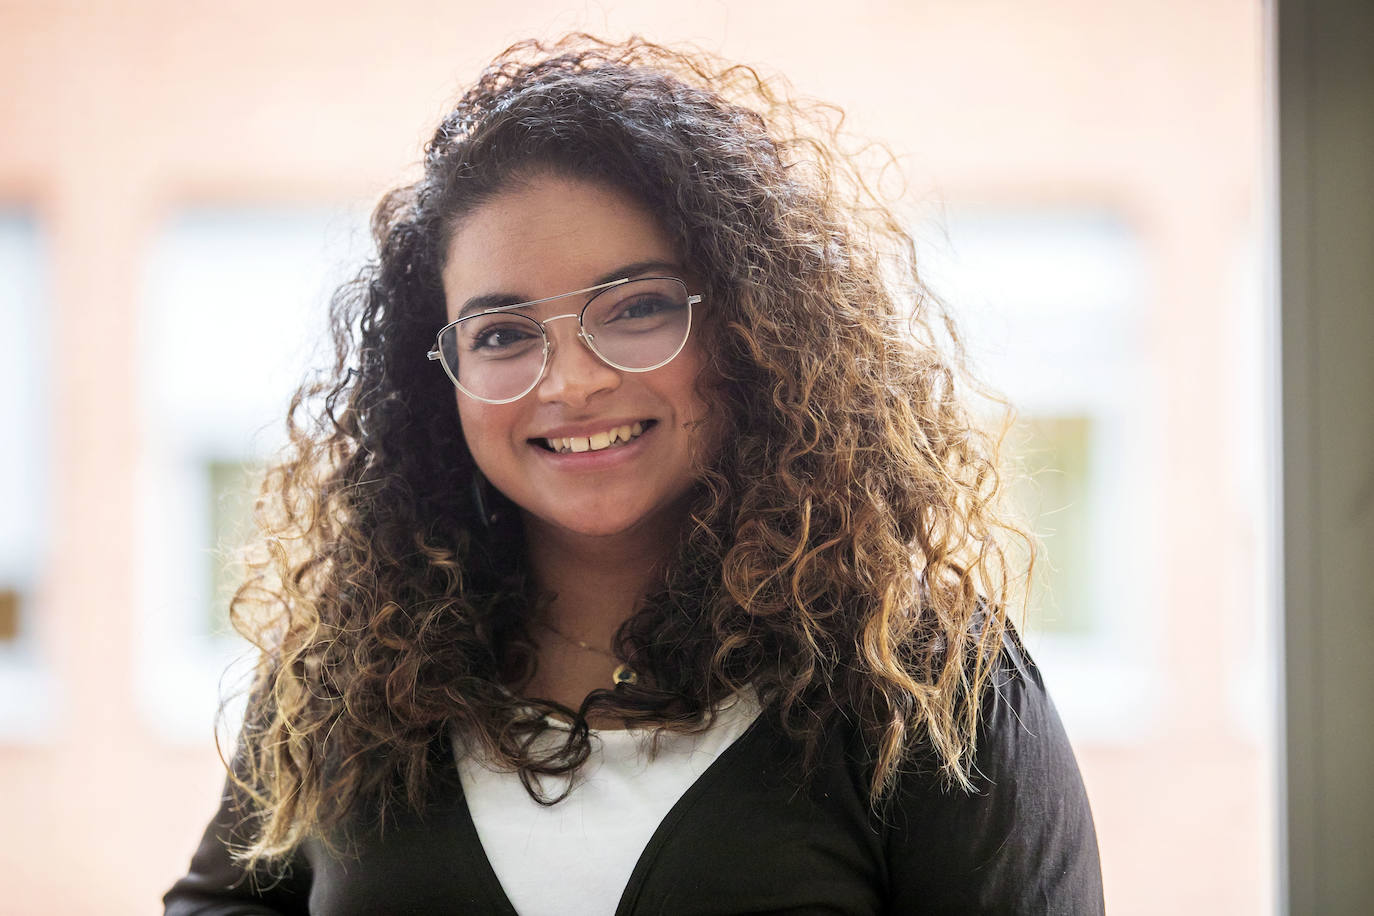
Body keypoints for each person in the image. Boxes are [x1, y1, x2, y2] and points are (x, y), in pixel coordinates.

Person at [165, 35, 1104, 915]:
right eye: (501, 333)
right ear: (435, 376)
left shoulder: (923, 688)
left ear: (752, 326)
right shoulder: (349, 676)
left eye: (638, 308)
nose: (574, 381)